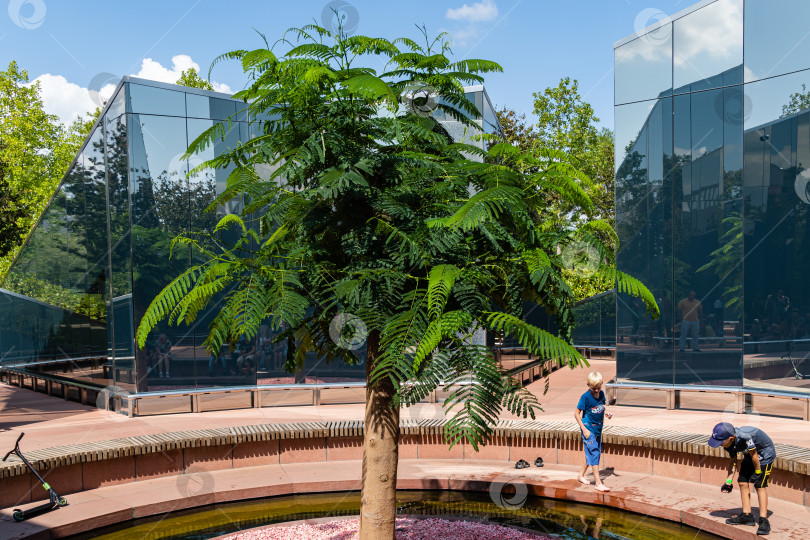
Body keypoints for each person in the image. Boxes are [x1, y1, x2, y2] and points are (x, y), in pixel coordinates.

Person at [708, 422, 775, 536]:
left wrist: (758, 472)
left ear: (730, 438)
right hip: (749, 456)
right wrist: (728, 482)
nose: (719, 445)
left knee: (760, 485)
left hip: (764, 456)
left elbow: (754, 455)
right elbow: (733, 461)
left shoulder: (745, 436)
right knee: (742, 482)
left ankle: (763, 520)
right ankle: (747, 516)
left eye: (720, 442)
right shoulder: (728, 444)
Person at [574, 371, 612, 492]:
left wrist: (606, 413)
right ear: (588, 385)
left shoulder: (601, 394)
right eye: (594, 388)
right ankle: (598, 483)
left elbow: (601, 406)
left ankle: (580, 475)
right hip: (588, 428)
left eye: (598, 388)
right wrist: (584, 429)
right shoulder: (585, 397)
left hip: (598, 428)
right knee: (595, 453)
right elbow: (576, 414)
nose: (596, 391)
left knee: (591, 453)